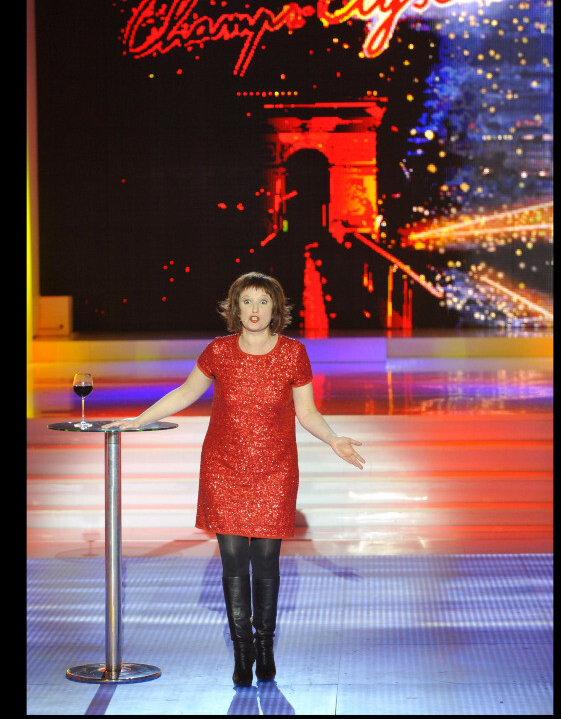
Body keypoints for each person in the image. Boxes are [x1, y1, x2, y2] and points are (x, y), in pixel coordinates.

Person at [104, 272, 365, 686]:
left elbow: (307, 412)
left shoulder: (294, 353)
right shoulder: (219, 352)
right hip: (223, 468)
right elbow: (186, 392)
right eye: (248, 301)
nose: (256, 310)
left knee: (265, 560)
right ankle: (242, 654)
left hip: (275, 468)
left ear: (275, 308)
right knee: (232, 561)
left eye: (264, 301)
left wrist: (333, 439)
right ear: (235, 307)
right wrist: (138, 420)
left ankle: (265, 649)